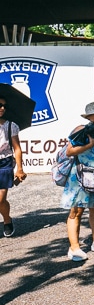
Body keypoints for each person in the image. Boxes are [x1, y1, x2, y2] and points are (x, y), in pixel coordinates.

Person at [62, 101, 94, 261]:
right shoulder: (81, 130)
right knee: (76, 211)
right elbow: (69, 151)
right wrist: (90, 144)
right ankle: (74, 248)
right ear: (89, 116)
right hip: (80, 175)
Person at [0, 95, 26, 237]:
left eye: (5, 106)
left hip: (4, 162)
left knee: (0, 199)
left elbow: (17, 148)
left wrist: (20, 169)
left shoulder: (10, 126)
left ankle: (7, 220)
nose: (2, 108)